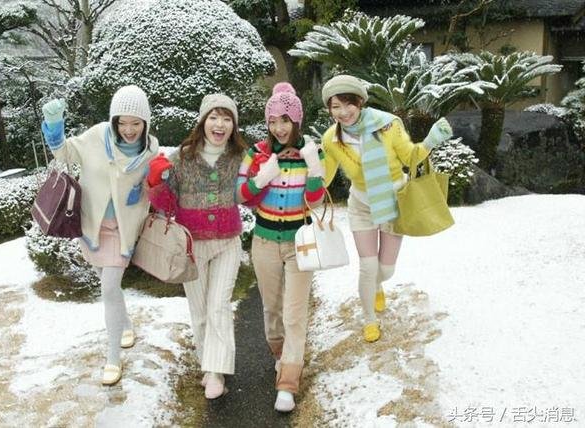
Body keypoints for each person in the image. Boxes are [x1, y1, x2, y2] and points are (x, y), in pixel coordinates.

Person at [40, 85, 160, 385]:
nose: (129, 130)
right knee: (110, 289)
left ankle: (113, 358)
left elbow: (155, 187)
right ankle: (127, 325)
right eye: (122, 122)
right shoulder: (97, 137)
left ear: (145, 123)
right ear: (113, 120)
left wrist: (154, 185)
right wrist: (54, 127)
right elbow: (64, 153)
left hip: (122, 231)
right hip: (91, 227)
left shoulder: (150, 152)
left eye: (136, 123)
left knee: (108, 289)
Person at [320, 74, 452, 343]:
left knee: (386, 270)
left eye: (348, 103)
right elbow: (324, 177)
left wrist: (430, 141)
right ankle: (370, 319)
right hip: (361, 206)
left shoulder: (388, 125)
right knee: (367, 267)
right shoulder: (331, 139)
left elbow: (410, 157)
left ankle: (378, 285)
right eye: (335, 106)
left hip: (393, 202)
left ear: (360, 101)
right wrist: (306, 169)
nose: (343, 112)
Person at [147, 94, 246, 400]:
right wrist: (156, 182)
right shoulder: (181, 158)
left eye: (227, 118)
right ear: (203, 121)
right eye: (214, 117)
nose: (220, 124)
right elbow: (165, 204)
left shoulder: (239, 156)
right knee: (200, 310)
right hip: (192, 246)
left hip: (227, 242)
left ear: (233, 125)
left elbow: (251, 192)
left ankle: (216, 371)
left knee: (219, 305)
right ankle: (208, 364)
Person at [236, 82, 325, 412]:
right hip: (264, 243)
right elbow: (240, 194)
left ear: (296, 121)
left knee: (294, 314)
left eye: (285, 120)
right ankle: (280, 353)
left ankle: (288, 382)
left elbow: (316, 200)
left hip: (300, 244)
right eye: (273, 121)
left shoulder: (312, 151)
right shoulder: (256, 153)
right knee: (272, 310)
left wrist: (313, 166)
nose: (279, 128)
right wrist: (263, 175)